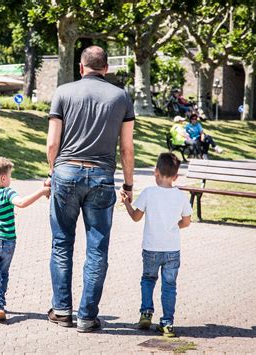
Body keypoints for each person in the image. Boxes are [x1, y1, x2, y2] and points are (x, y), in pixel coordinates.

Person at [45, 45, 135, 333]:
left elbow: (51, 144)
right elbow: (127, 149)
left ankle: (61, 311)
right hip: (102, 176)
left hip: (66, 172)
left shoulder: (63, 92)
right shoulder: (121, 96)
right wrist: (129, 184)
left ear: (81, 68)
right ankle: (86, 316)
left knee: (62, 244)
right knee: (97, 249)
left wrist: (53, 172)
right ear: (106, 69)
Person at [121, 152, 192, 338]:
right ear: (176, 176)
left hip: (151, 248)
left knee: (148, 279)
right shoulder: (181, 196)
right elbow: (186, 222)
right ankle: (167, 323)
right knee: (169, 286)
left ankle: (146, 313)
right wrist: (174, 226)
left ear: (155, 172)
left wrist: (126, 203)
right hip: (172, 250)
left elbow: (136, 217)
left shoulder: (148, 193)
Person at [0, 157, 50, 322]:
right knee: (3, 273)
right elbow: (22, 203)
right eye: (9, 176)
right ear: (3, 178)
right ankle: (0, 303)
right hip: (8, 242)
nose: (10, 180)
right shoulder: (7, 191)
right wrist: (42, 191)